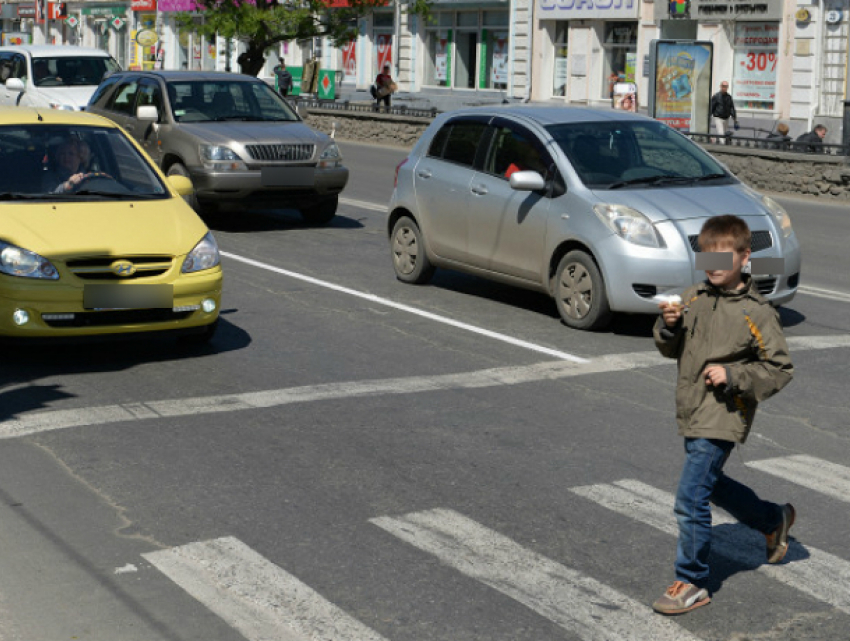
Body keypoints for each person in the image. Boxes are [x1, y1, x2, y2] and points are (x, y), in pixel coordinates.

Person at [651, 214, 795, 616]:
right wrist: (668, 327)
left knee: (690, 497)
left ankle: (693, 580)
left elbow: (780, 368)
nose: (712, 266)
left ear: (745, 257)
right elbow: (670, 347)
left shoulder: (757, 311)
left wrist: (733, 375)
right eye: (706, 257)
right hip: (693, 406)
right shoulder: (694, 295)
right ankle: (772, 520)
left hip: (725, 412)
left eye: (723, 257)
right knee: (709, 485)